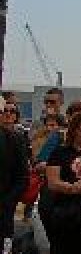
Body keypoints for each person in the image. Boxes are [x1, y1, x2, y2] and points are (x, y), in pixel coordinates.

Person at [40, 114, 81, 254]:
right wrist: (72, 188)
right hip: (65, 211)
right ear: (74, 131)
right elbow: (52, 182)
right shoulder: (60, 153)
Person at [1, 108, 30, 253]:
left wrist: (8, 201)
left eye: (11, 111)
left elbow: (23, 176)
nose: (7, 114)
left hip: (4, 208)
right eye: (3, 111)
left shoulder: (16, 139)